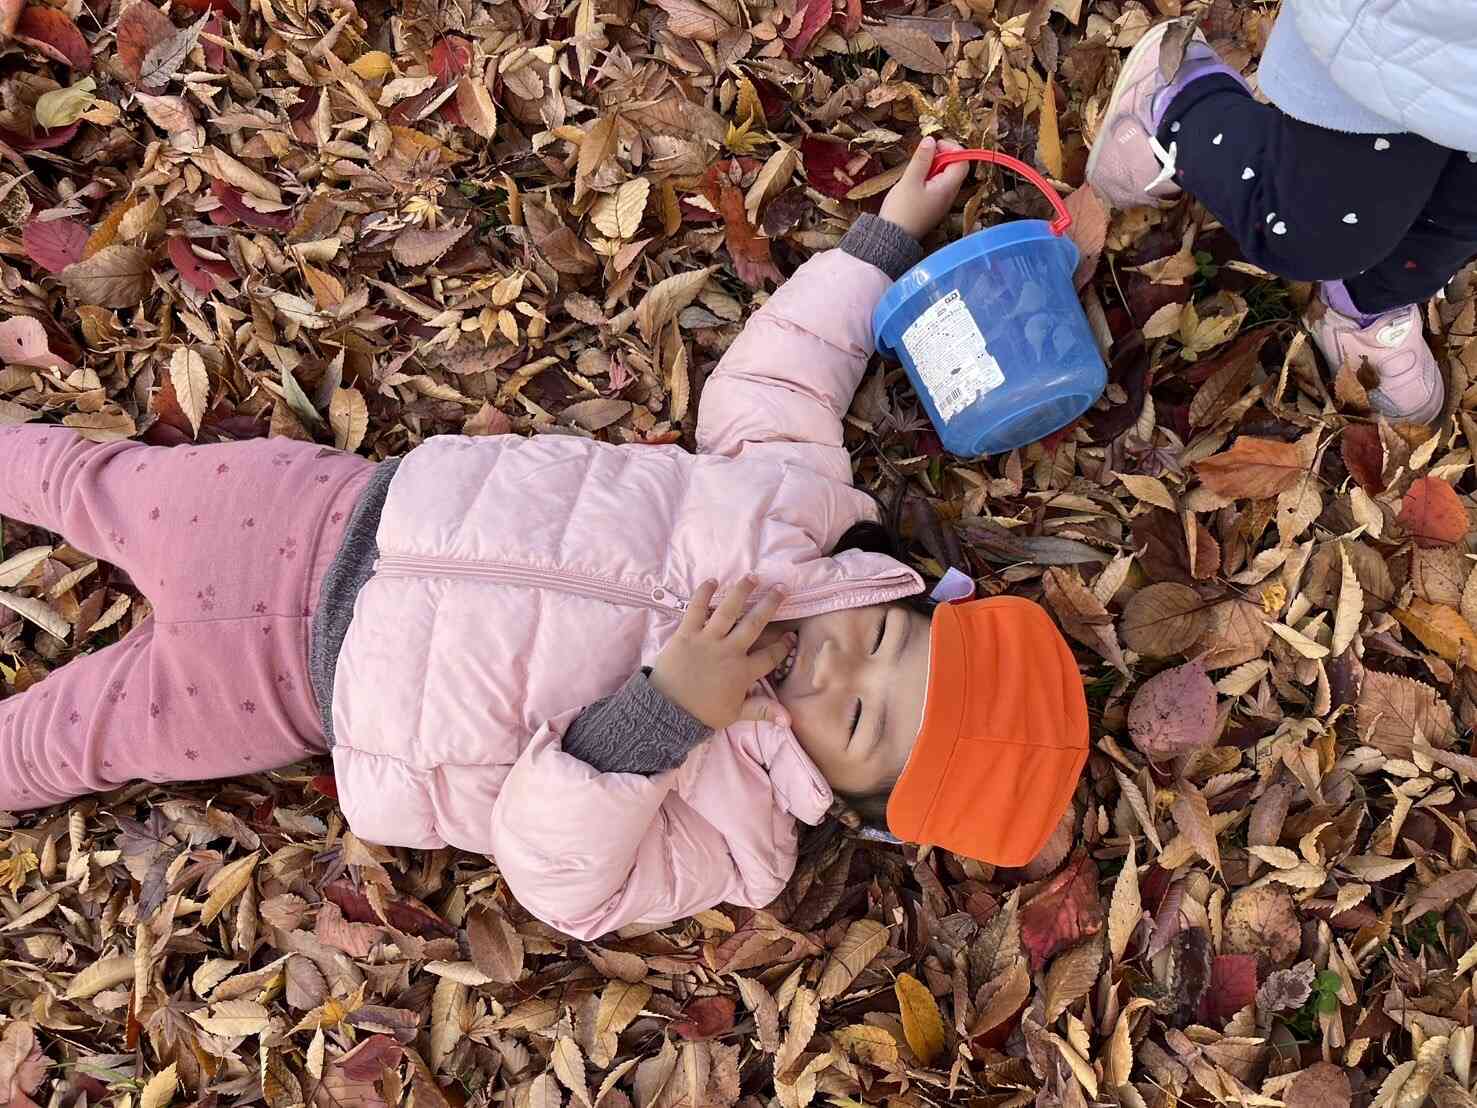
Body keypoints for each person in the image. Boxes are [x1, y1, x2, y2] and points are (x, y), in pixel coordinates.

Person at [0, 140, 1089, 940]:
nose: (842, 661)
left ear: (855, 807)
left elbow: (565, 880)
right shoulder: (794, 512)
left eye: (855, 714)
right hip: (319, 512)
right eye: (886, 640)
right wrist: (884, 242)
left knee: (66, 743)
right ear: (904, 593)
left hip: (285, 685)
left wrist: (661, 718)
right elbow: (783, 370)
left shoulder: (737, 832)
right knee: (100, 483)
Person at [1087, 2, 1477, 425]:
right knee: (1310, 231)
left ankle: (1370, 298)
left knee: (1458, 213)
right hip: (1405, 44)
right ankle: (1179, 100)